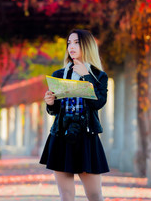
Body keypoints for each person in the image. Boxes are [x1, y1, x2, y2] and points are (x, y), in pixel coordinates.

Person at [40, 29, 109, 201]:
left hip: (86, 137)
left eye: (76, 42)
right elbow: (55, 111)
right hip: (61, 136)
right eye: (69, 43)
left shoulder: (99, 76)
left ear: (87, 45)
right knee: (66, 195)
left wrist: (87, 77)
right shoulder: (59, 75)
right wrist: (50, 103)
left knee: (94, 195)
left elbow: (98, 103)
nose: (71, 46)